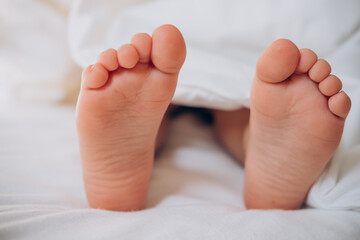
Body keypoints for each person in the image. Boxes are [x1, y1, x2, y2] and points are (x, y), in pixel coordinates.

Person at [75, 24, 351, 211]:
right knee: (236, 104)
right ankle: (254, 144)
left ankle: (133, 142)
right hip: (241, 51)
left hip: (155, 55)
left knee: (145, 84)